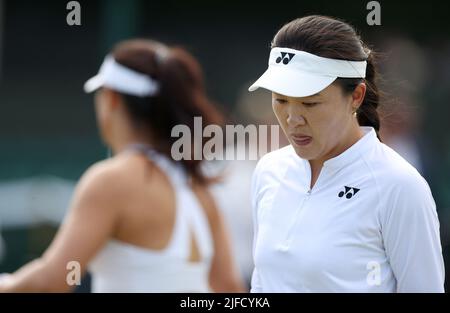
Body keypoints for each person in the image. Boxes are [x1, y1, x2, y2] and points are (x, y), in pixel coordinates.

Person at [0, 39, 245, 292]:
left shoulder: (110, 181)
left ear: (112, 99)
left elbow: (51, 282)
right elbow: (231, 289)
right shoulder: (199, 188)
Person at [247, 15, 445, 292]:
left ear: (356, 96)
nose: (292, 119)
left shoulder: (399, 186)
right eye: (280, 100)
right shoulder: (268, 170)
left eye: (310, 103)